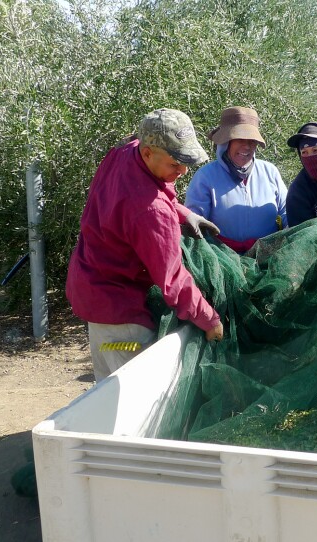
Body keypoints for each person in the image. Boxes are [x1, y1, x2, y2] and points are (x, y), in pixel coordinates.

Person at [66, 108, 225, 382]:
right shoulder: (151, 211)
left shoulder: (126, 150)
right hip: (121, 316)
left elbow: (140, 194)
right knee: (131, 402)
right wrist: (210, 320)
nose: (183, 171)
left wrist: (183, 212)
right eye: (175, 163)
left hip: (92, 290)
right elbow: (172, 279)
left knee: (105, 394)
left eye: (186, 162)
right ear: (149, 152)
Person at [185, 106, 288, 254]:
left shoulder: (269, 172)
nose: (246, 146)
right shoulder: (206, 176)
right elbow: (194, 224)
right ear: (226, 142)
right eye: (240, 139)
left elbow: (287, 212)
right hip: (223, 259)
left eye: (252, 141)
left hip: (267, 257)